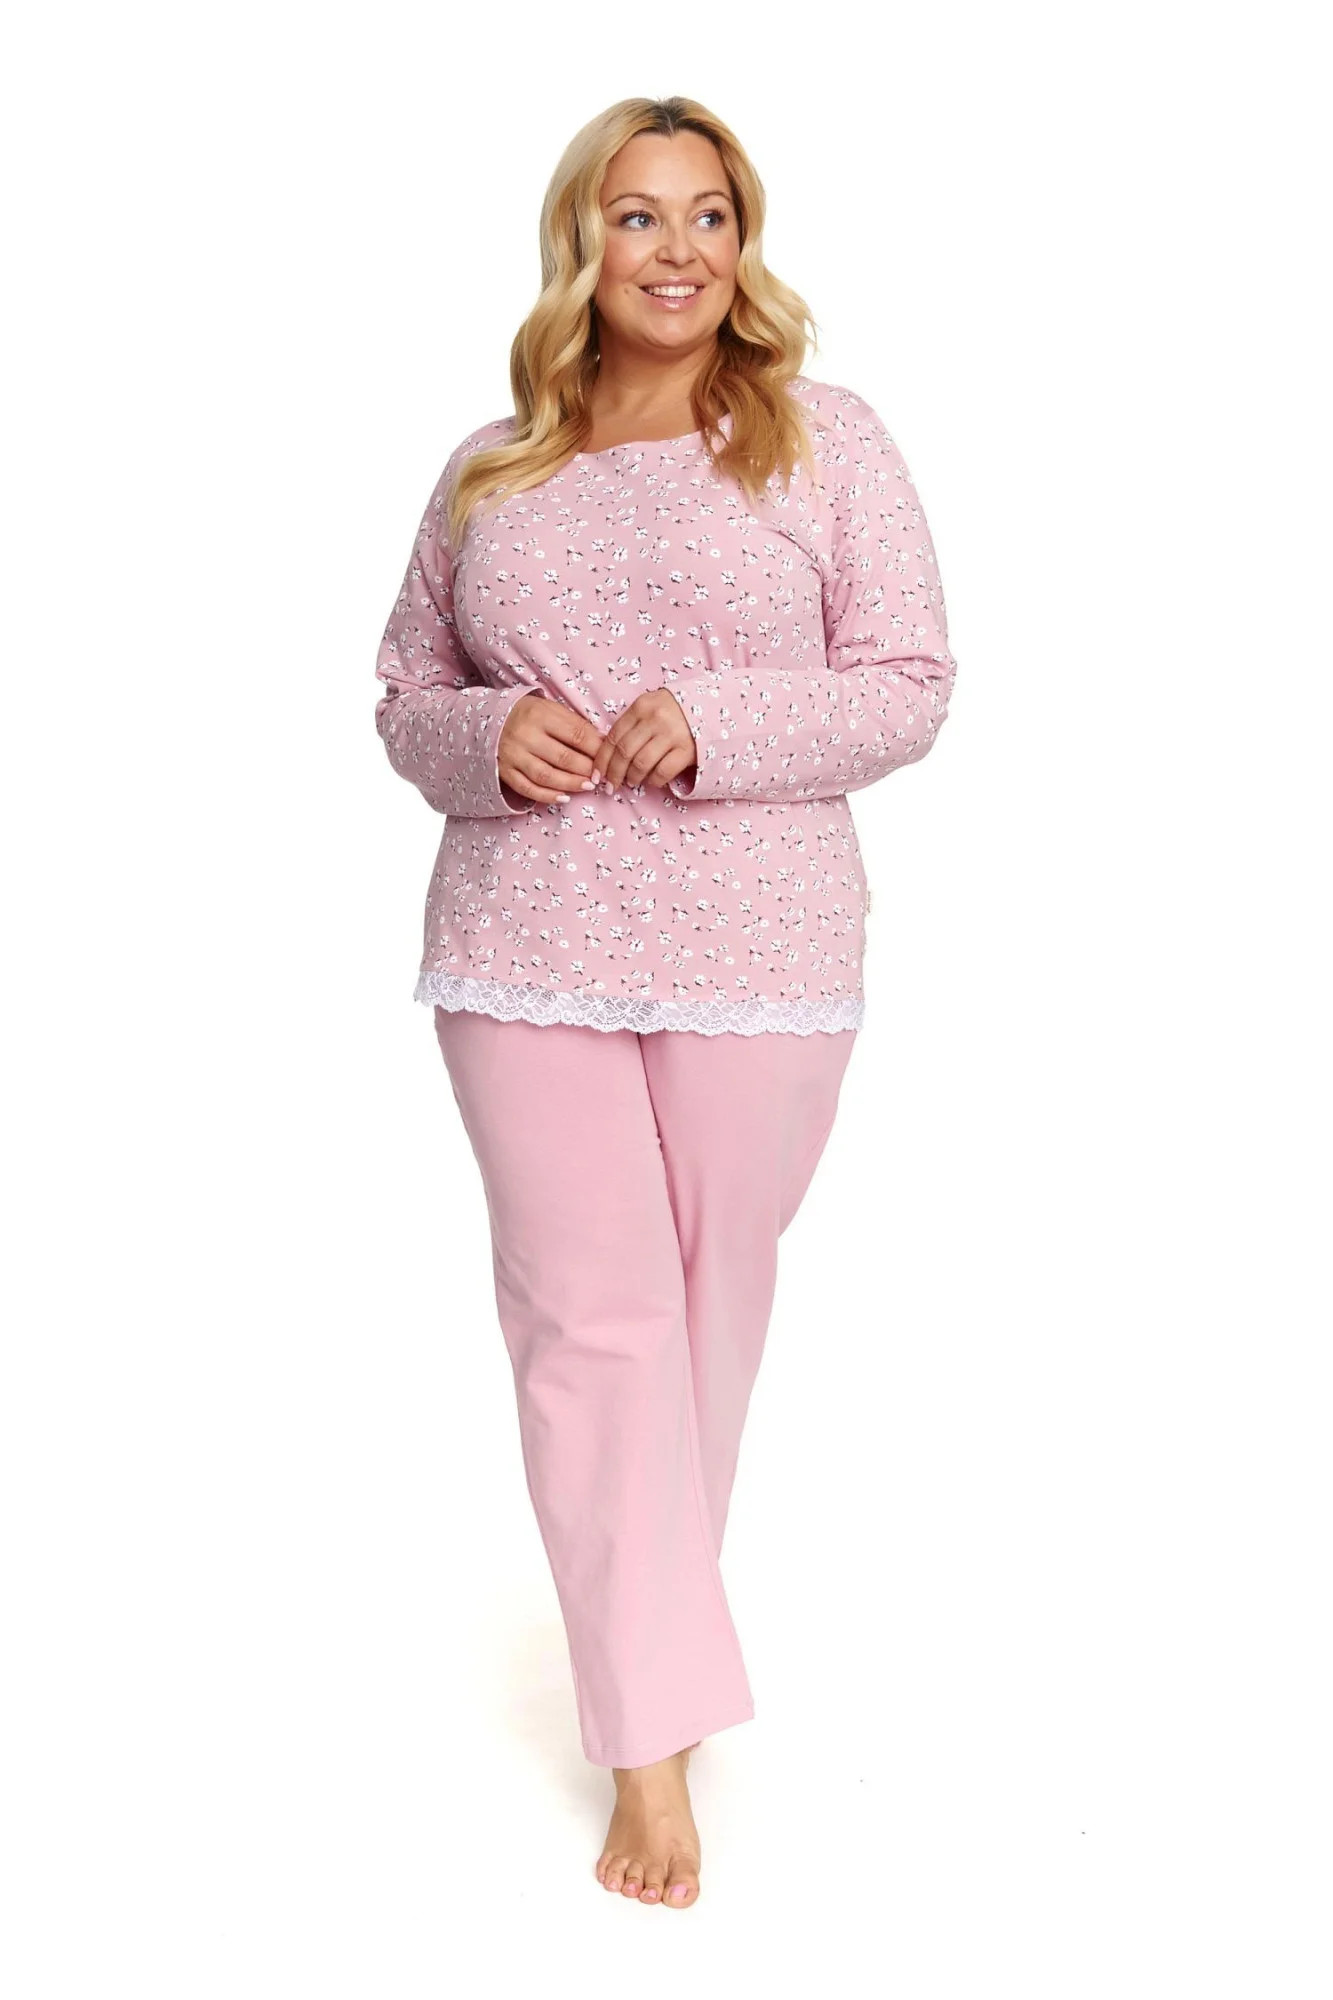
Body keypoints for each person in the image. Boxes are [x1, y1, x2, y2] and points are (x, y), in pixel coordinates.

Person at [372, 94, 958, 1909]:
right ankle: (651, 1749)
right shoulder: (490, 466)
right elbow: (404, 692)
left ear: (743, 243)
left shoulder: (827, 440)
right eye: (638, 216)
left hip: (759, 946)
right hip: (524, 935)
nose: (679, 249)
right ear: (584, 244)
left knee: (705, 1316)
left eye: (710, 215)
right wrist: (486, 737)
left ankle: (648, 1666)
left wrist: (713, 718)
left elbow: (910, 680)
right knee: (588, 1321)